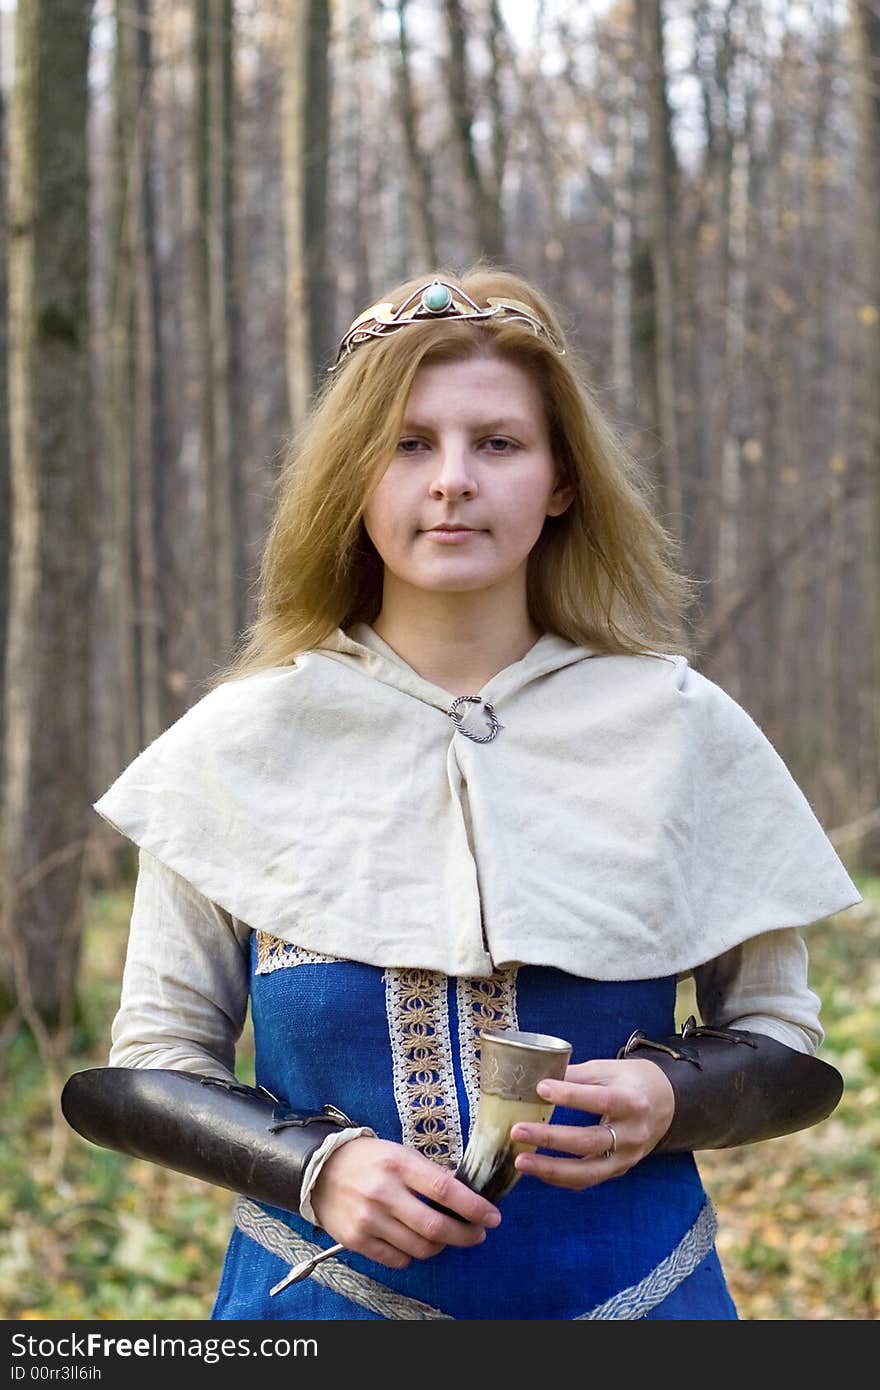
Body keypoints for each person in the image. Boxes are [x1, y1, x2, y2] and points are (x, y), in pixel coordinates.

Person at [62, 265, 861, 1321]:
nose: (452, 480)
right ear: (353, 477)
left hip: (644, 1302)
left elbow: (782, 1039)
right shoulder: (240, 743)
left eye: (498, 442)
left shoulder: (680, 728)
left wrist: (670, 1097)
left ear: (560, 478)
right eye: (406, 444)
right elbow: (154, 1061)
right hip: (311, 1314)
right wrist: (312, 1167)